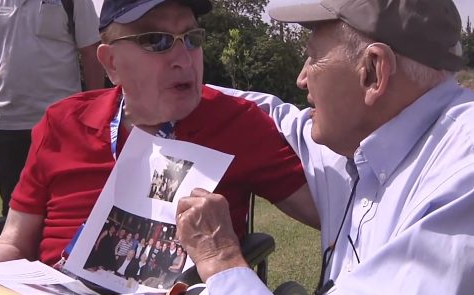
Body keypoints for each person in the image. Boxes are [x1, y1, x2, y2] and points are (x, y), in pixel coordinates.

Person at [0, 0, 316, 269]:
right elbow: (13, 242)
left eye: (192, 39)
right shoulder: (63, 122)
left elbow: (334, 217)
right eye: (156, 41)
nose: (184, 58)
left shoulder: (240, 123)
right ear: (110, 63)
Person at [175, 0, 474, 294]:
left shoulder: (462, 180)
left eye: (313, 58)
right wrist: (167, 85)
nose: (302, 79)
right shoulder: (365, 136)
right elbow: (269, 112)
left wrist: (222, 262)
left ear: (373, 71)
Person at [0, 0, 105, 216]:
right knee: (13, 213)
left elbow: (92, 53)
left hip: (63, 127)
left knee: (68, 210)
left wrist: (95, 113)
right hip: (7, 127)